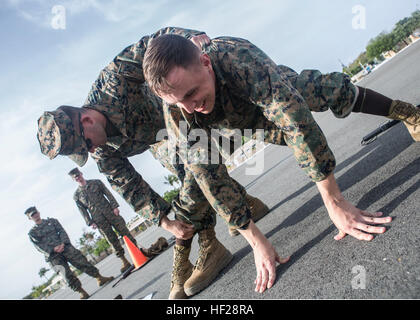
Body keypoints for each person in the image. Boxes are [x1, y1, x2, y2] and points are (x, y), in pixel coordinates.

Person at [142, 33, 419, 294]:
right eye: (179, 102)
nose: (190, 107)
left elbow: (295, 120)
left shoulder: (238, 58)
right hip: (242, 121)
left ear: (204, 63)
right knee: (204, 166)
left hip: (272, 91)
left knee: (325, 90)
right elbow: (207, 175)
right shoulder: (180, 109)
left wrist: (334, 201)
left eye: (191, 94)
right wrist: (255, 239)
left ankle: (407, 113)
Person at [36, 27, 269, 299]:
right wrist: (163, 221)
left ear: (86, 121)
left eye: (87, 144)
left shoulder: (113, 80)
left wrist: (189, 39)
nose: (92, 150)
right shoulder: (102, 152)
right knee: (186, 170)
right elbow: (128, 185)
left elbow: (153, 43)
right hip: (161, 138)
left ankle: (211, 247)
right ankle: (243, 204)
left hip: (183, 107)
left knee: (188, 167)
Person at [69, 167, 167, 273]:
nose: (78, 178)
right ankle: (124, 261)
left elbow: (108, 194)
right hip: (98, 219)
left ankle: (138, 251)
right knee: (111, 239)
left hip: (110, 212)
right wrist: (90, 222)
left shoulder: (96, 183)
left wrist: (114, 206)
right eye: (75, 178)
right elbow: (82, 210)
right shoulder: (77, 196)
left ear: (81, 173)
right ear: (73, 180)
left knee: (124, 232)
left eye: (78, 175)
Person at [26, 206, 114, 299]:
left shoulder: (52, 221)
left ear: (38, 212)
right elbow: (39, 246)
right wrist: (53, 249)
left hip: (65, 247)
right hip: (53, 256)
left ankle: (99, 278)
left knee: (82, 262)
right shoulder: (32, 233)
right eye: (32, 215)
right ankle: (81, 292)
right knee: (66, 274)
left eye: (35, 213)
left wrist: (63, 243)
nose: (35, 215)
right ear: (29, 218)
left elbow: (62, 231)